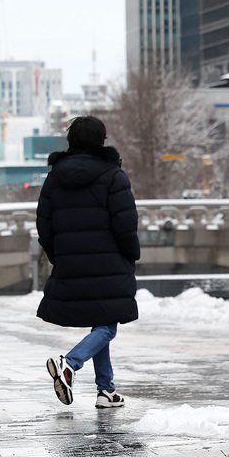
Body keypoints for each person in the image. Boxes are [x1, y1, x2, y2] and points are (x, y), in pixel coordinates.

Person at [37, 116, 140, 409]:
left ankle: (106, 390)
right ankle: (69, 364)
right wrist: (130, 254)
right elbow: (125, 223)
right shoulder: (113, 176)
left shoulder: (55, 177)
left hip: (71, 260)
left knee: (101, 321)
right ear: (101, 140)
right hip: (108, 261)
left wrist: (59, 256)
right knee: (107, 324)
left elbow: (43, 223)